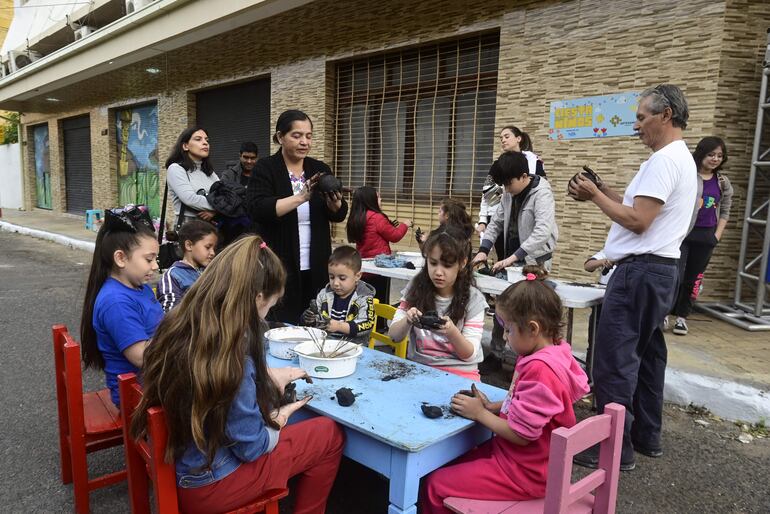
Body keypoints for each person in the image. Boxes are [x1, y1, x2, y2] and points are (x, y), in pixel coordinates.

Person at [131, 236, 345, 514]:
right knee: (329, 433)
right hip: (213, 485)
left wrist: (265, 378)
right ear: (257, 298)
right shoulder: (233, 355)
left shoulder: (181, 324)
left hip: (185, 466)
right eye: (271, 304)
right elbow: (252, 448)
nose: (268, 313)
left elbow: (217, 391)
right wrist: (279, 421)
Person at [568, 84, 697, 471]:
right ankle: (646, 436)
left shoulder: (663, 161)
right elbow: (640, 207)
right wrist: (604, 188)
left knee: (615, 361)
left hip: (640, 271)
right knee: (648, 356)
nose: (636, 125)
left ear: (666, 115)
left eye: (642, 117)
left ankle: (613, 448)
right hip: (661, 270)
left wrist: (593, 196)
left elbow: (639, 221)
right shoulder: (681, 158)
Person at [420, 266, 589, 513]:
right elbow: (540, 408)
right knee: (447, 462)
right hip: (535, 463)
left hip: (525, 472)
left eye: (508, 329)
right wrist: (494, 406)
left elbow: (522, 434)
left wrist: (480, 413)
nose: (506, 337)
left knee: (435, 485)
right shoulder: (556, 352)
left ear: (533, 328)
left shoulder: (541, 370)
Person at [246, 110, 348, 324]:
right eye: (297, 135)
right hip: (278, 259)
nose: (304, 142)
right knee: (280, 321)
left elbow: (338, 214)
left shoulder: (319, 169)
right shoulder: (266, 168)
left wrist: (335, 203)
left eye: (308, 136)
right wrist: (301, 197)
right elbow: (258, 208)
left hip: (315, 259)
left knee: (314, 319)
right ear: (280, 137)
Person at [80, 205, 163, 407]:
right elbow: (141, 357)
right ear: (120, 258)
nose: (155, 266)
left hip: (152, 382)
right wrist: (181, 335)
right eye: (149, 259)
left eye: (156, 259)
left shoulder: (138, 287)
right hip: (138, 395)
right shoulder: (116, 302)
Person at [388, 226, 487, 380]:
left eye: (447, 265)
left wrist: (451, 332)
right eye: (433, 263)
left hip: (460, 372)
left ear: (462, 263)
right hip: (420, 368)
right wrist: (407, 320)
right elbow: (394, 336)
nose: (438, 272)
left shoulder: (474, 299)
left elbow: (469, 355)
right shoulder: (415, 289)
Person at [668, 137, 733, 335]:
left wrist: (717, 236)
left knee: (693, 278)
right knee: (674, 276)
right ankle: (663, 313)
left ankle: (681, 318)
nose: (715, 159)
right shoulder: (688, 176)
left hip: (706, 236)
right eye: (711, 154)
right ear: (701, 154)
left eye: (719, 156)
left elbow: (726, 211)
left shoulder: (722, 182)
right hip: (683, 233)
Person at [472, 152, 558, 273]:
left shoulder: (542, 194)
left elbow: (543, 231)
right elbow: (496, 223)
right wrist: (483, 250)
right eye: (504, 185)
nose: (506, 189)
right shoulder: (508, 192)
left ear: (523, 176)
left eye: (508, 184)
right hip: (512, 257)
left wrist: (512, 258)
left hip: (535, 262)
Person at [476, 126, 546, 254]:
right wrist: (483, 220)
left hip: (525, 216)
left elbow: (540, 186)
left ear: (519, 138)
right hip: (499, 215)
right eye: (501, 138)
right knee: (503, 256)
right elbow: (487, 193)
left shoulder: (534, 161)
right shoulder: (498, 165)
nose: (503, 140)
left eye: (506, 137)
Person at [347, 185, 411, 304]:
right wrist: (405, 225)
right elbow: (395, 236)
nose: (381, 200)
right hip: (379, 266)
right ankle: (380, 322)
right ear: (370, 200)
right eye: (378, 197)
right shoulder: (377, 218)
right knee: (380, 301)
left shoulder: (357, 217)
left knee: (366, 300)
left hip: (364, 265)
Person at [302, 246, 376, 344]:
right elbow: (316, 322)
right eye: (332, 277)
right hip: (324, 343)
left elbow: (367, 324)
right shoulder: (324, 294)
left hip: (353, 346)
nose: (336, 283)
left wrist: (339, 326)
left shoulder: (363, 298)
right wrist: (308, 318)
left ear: (357, 276)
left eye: (342, 278)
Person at [156, 220, 218, 312]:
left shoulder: (211, 272)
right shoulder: (173, 276)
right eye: (208, 247)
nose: (213, 253)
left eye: (214, 248)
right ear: (189, 245)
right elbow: (170, 313)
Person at [165, 127, 219, 229]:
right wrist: (219, 207)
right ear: (185, 146)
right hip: (189, 227)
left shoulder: (209, 171)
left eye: (207, 140)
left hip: (213, 227)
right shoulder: (176, 169)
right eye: (198, 139)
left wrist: (215, 211)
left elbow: (224, 195)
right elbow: (190, 199)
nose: (205, 143)